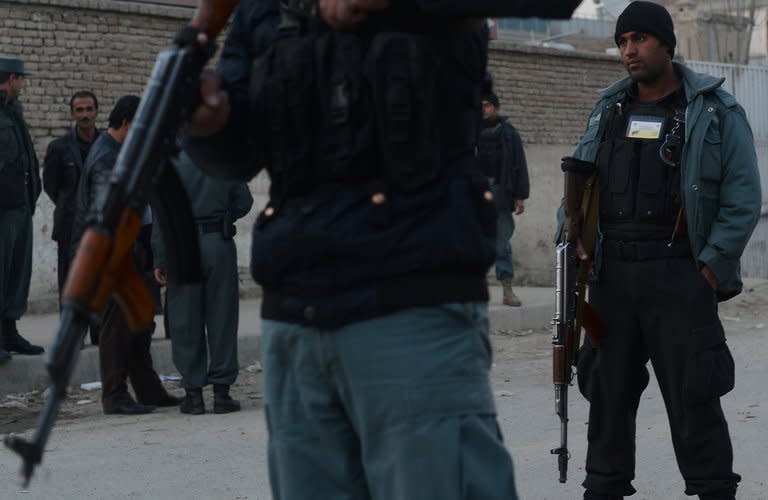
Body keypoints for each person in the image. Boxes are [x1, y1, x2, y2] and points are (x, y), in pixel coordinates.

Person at [186, 1, 582, 498]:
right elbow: (238, 154)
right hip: (295, 321)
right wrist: (206, 123)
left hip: (412, 306)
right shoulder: (263, 9)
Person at [566, 3, 761, 499]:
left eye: (639, 39)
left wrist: (710, 269)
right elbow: (578, 186)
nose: (629, 50)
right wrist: (573, 240)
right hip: (612, 281)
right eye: (621, 41)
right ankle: (604, 488)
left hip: (680, 276)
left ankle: (714, 489)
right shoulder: (607, 109)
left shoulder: (714, 112)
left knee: (695, 397)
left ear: (666, 44)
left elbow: (742, 201)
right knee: (607, 397)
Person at [72, 95, 182, 415]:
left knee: (140, 322)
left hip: (132, 248)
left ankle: (148, 389)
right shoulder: (106, 158)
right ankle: (115, 395)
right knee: (116, 324)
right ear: (127, 123)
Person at [152, 151, 253, 415]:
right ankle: (222, 393)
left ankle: (193, 395)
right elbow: (244, 201)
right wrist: (224, 216)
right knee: (222, 316)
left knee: (185, 319)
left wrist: (161, 258)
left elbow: (161, 214)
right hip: (217, 243)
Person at [43, 90, 102, 345]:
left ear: (97, 112)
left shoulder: (107, 144)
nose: (85, 115)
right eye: (79, 110)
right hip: (70, 228)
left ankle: (101, 335)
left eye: (89, 109)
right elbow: (51, 186)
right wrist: (72, 208)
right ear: (72, 114)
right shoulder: (59, 148)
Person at [0, 56, 44, 361]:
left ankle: (9, 331)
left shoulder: (14, 112)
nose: (23, 84)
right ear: (11, 78)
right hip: (2, 208)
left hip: (20, 205)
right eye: (21, 78)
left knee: (17, 272)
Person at [479, 92, 529, 307]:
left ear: (497, 108)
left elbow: (519, 166)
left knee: (501, 244)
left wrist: (520, 196)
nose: (483, 109)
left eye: (487, 105)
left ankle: (507, 290)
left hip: (501, 193)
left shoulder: (509, 134)